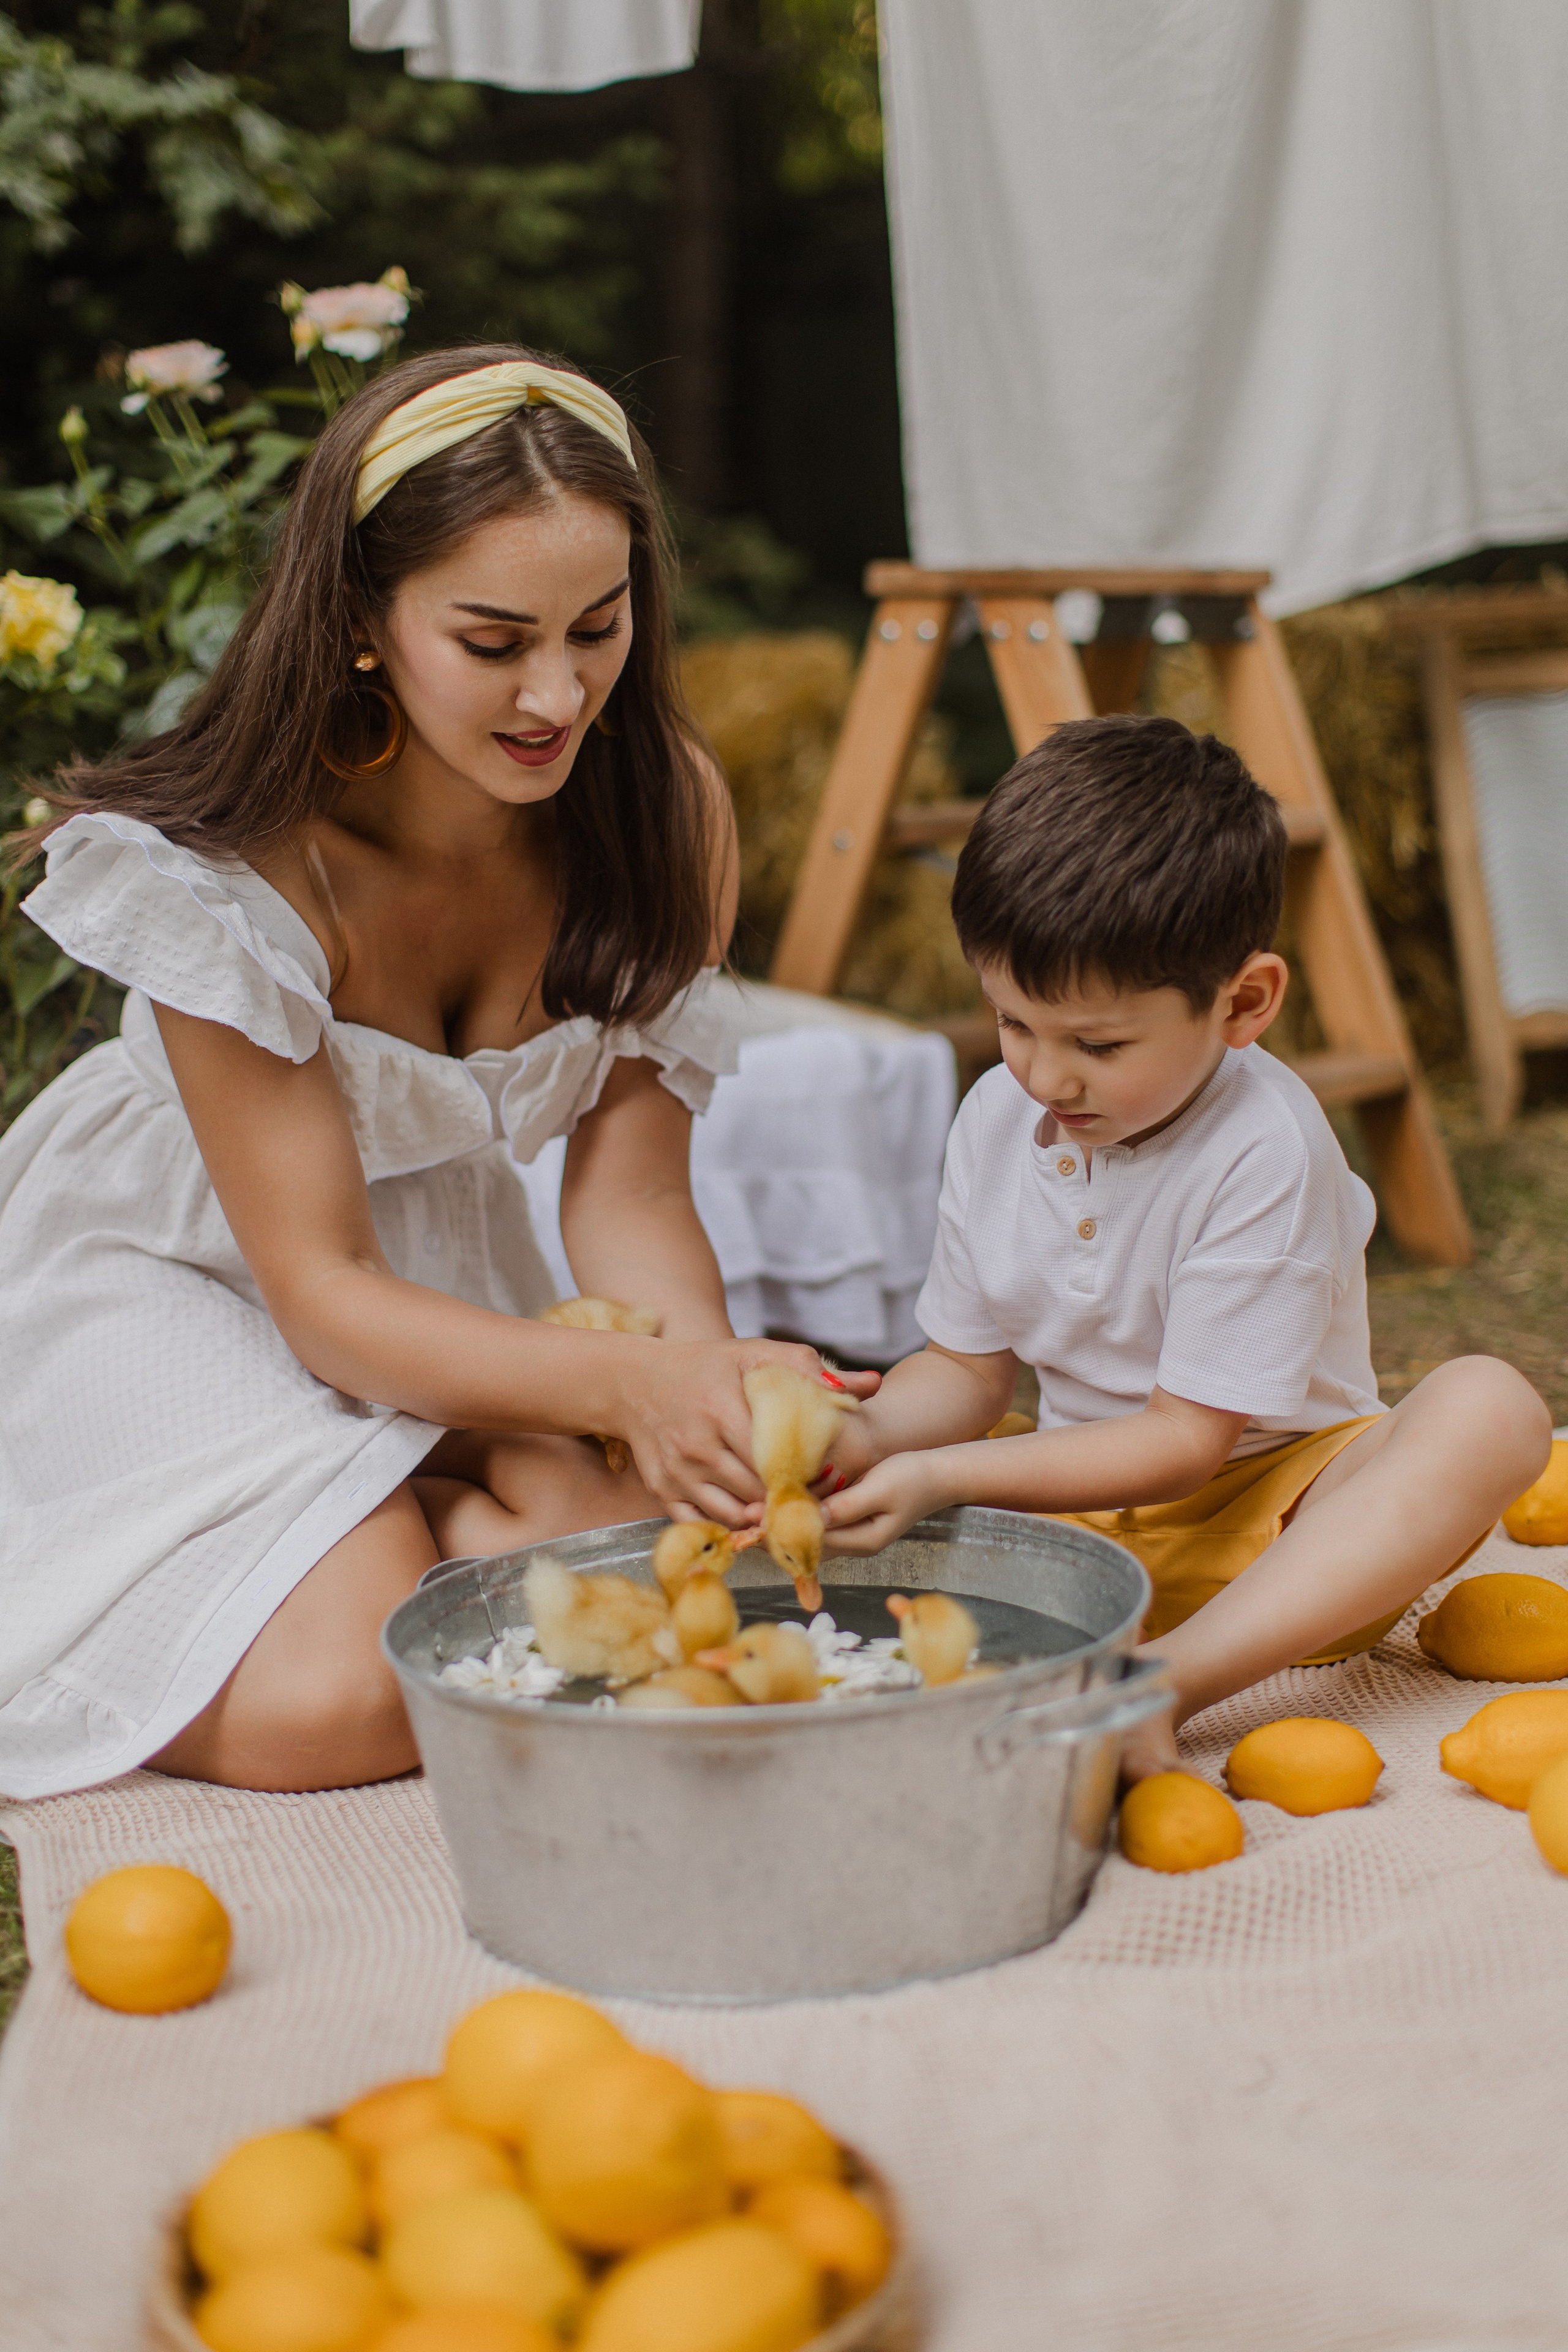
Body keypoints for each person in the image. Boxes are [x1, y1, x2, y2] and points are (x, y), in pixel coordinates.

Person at [0, 344, 867, 1803]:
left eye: (597, 628)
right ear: (359, 621)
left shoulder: (662, 814)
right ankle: (400, 1522)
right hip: (192, 1269)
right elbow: (324, 1294)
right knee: (339, 1706)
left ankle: (422, 1509)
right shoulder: (238, 876)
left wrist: (697, 1391)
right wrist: (615, 1391)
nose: (556, 692)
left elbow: (632, 1195)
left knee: (665, 1573)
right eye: (492, 641)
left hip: (434, 1284)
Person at [821, 715, 1551, 1777]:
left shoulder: (1263, 1146)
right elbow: (970, 1375)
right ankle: (1105, 1644)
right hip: (1076, 1530)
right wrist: (878, 1439)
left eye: (1098, 1045)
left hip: (1286, 1535)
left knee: (1491, 1407)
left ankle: (1165, 1683)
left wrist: (938, 1478)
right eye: (1012, 1023)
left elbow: (1185, 1443)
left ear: (1243, 1004)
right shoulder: (994, 1118)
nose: (1044, 1077)